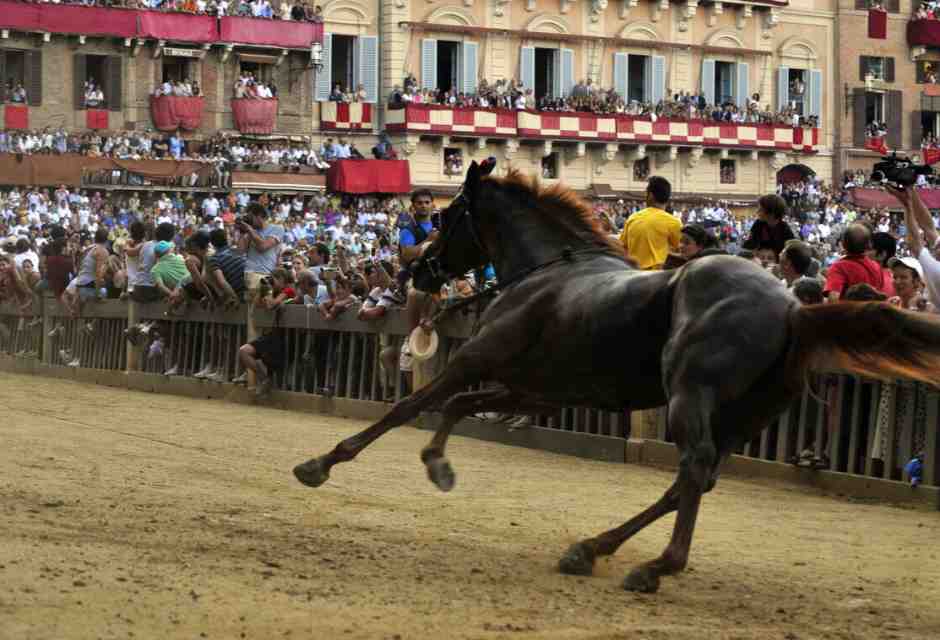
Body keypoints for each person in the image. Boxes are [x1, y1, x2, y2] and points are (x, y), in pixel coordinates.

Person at [620, 176, 682, 270]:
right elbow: (683, 251)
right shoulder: (674, 223)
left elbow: (622, 247)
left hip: (633, 275)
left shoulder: (633, 218)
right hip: (659, 278)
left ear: (651, 195)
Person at [823, 224, 886, 303]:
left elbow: (833, 299)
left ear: (843, 244)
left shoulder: (839, 267)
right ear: (868, 245)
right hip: (873, 313)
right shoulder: (876, 266)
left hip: (851, 313)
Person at [239, 202, 285, 300]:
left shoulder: (277, 229)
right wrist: (242, 232)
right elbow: (241, 250)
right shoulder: (250, 231)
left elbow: (263, 247)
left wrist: (250, 230)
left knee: (262, 309)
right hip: (249, 273)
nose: (249, 220)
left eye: (251, 217)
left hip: (266, 274)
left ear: (259, 216)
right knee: (251, 311)